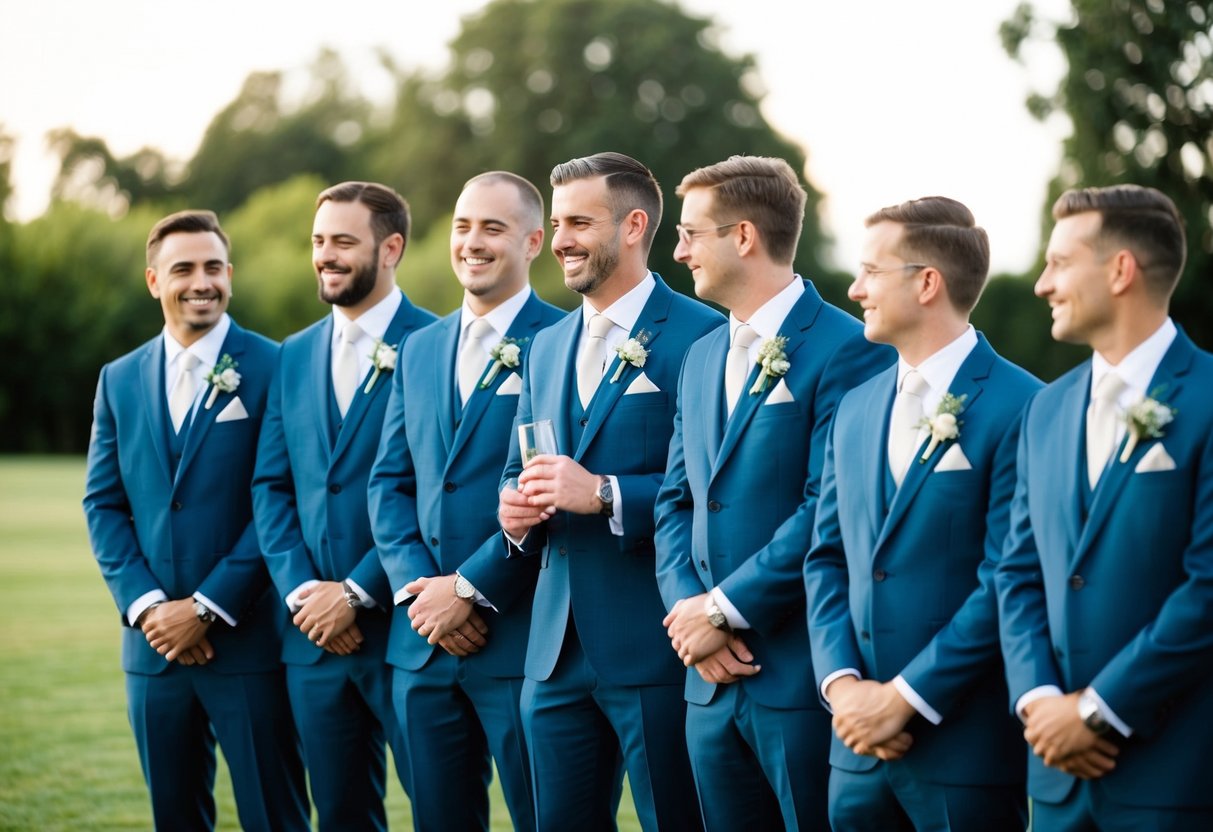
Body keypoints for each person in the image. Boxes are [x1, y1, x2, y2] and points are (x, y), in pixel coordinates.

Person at [415, 151, 721, 830]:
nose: (559, 242)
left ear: (633, 225)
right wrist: (513, 513)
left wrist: (608, 493)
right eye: (556, 224)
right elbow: (517, 466)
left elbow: (707, 485)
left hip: (653, 645)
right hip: (549, 655)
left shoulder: (703, 336)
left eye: (579, 222)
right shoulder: (545, 345)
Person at [653, 155, 892, 831]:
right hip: (704, 682)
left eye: (692, 233)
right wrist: (689, 616)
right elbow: (676, 500)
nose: (678, 250)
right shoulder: (700, 355)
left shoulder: (849, 349)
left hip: (793, 674)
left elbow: (829, 506)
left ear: (744, 237)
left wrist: (727, 610)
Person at [804, 197, 1037, 830]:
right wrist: (842, 686)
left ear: (927, 282)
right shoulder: (853, 408)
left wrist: (905, 699)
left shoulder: (1024, 406)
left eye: (872, 272)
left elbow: (1007, 575)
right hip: (853, 752)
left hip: (963, 749)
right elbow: (826, 557)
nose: (855, 290)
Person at [82, 210, 308, 831]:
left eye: (213, 267)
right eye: (183, 268)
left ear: (230, 276)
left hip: (249, 643)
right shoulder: (118, 379)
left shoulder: (276, 366)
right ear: (154, 280)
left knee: (276, 815)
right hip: (153, 652)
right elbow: (103, 503)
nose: (200, 281)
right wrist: (151, 607)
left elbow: (281, 501)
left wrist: (206, 606)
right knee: (174, 818)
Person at [995, 184, 1213, 830]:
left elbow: (1207, 588)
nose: (1040, 285)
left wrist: (1098, 709)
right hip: (1055, 780)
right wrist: (1038, 702)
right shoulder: (1043, 410)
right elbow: (1016, 572)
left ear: (1119, 270)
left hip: (1174, 775)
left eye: (1059, 263)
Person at [367, 171, 564, 832]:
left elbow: (547, 494)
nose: (472, 242)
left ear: (533, 240)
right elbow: (388, 485)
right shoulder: (417, 350)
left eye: (492, 228)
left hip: (519, 637)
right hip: (420, 646)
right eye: (461, 225)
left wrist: (470, 589)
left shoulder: (560, 342)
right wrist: (421, 596)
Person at [251, 182, 436, 831]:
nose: (325, 256)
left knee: (440, 810)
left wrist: (355, 592)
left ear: (390, 248)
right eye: (318, 242)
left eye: (342, 242)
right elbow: (271, 487)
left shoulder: (435, 346)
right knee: (339, 815)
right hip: (311, 641)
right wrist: (304, 593)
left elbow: (431, 494)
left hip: (408, 635)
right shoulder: (292, 353)